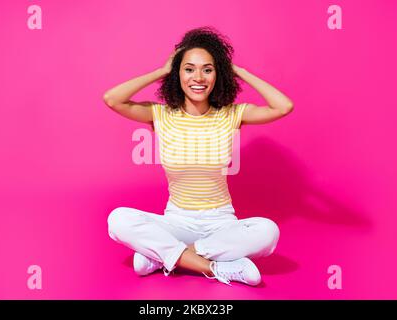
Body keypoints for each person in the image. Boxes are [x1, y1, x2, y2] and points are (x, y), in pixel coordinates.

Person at [103, 26, 293, 286]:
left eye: (208, 69)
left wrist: (239, 71)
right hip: (176, 219)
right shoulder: (160, 115)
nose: (198, 77)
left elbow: (284, 106)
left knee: (268, 232)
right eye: (189, 68)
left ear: (218, 75)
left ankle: (162, 257)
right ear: (177, 73)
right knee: (118, 219)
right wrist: (160, 71)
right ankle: (214, 267)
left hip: (221, 223)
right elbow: (112, 99)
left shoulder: (232, 114)